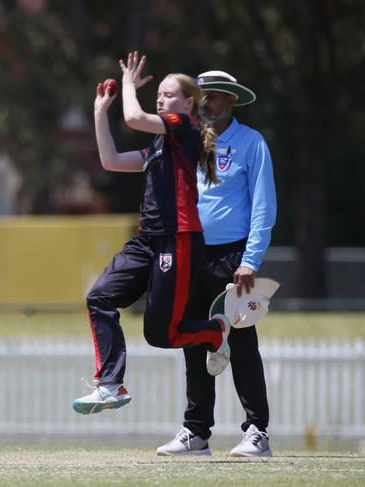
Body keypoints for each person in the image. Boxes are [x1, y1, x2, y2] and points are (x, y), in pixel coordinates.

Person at [72, 53, 231, 415]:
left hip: (178, 238)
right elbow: (111, 161)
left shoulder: (184, 128)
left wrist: (128, 86)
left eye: (168, 95)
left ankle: (213, 333)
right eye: (158, 96)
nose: (161, 101)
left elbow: (133, 117)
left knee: (162, 336)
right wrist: (100, 111)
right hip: (147, 240)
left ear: (189, 103)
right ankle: (110, 384)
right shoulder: (157, 146)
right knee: (99, 298)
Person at [156, 71, 277, 457]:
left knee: (241, 340)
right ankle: (196, 432)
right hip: (191, 253)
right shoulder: (187, 139)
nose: (207, 103)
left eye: (216, 97)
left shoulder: (251, 142)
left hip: (233, 257)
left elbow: (263, 206)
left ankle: (257, 430)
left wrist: (250, 259)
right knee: (193, 339)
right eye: (202, 96)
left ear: (232, 102)